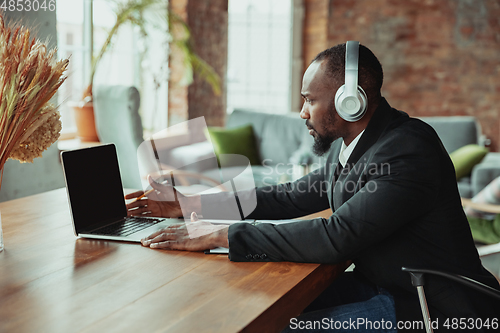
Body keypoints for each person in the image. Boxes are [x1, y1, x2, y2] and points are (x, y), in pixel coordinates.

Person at [126, 43, 500, 332]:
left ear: (349, 101)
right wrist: (193, 205)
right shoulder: (354, 145)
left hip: (433, 308)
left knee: (278, 325)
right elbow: (291, 195)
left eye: (309, 99)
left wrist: (222, 235)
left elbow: (338, 236)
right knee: (252, 303)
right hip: (388, 287)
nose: (302, 112)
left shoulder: (407, 149)